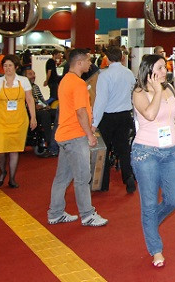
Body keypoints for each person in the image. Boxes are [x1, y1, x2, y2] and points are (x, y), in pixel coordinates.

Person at [131, 53, 175, 268]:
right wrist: (157, 92)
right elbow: (150, 115)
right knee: (149, 203)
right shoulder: (139, 92)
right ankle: (156, 249)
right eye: (160, 68)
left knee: (173, 200)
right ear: (148, 71)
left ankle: (149, 223)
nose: (165, 71)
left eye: (165, 67)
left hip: (170, 152)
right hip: (146, 153)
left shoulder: (170, 88)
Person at [47, 49, 108, 228]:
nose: (90, 64)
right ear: (79, 62)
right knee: (82, 178)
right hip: (75, 136)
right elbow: (81, 112)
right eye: (88, 61)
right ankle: (87, 215)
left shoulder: (65, 80)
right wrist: (90, 135)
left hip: (65, 135)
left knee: (62, 178)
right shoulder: (78, 84)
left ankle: (55, 213)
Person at [0, 54, 36, 188]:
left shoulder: (23, 81)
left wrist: (33, 117)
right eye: (5, 66)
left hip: (19, 120)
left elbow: (29, 99)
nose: (7, 68)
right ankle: (2, 171)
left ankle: (12, 178)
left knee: (14, 150)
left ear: (16, 67)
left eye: (10, 66)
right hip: (1, 120)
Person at [93, 46, 137, 193]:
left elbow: (101, 101)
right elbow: (133, 94)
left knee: (105, 150)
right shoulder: (129, 73)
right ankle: (128, 178)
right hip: (125, 115)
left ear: (107, 58)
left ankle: (103, 184)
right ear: (122, 57)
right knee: (124, 149)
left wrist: (94, 123)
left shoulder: (104, 75)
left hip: (108, 117)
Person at [24, 68, 57, 157]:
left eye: (34, 74)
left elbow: (41, 98)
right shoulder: (22, 88)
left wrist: (46, 105)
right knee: (45, 115)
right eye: (30, 74)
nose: (33, 76)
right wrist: (34, 106)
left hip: (42, 108)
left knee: (57, 112)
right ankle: (50, 143)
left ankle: (56, 139)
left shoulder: (35, 87)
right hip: (31, 112)